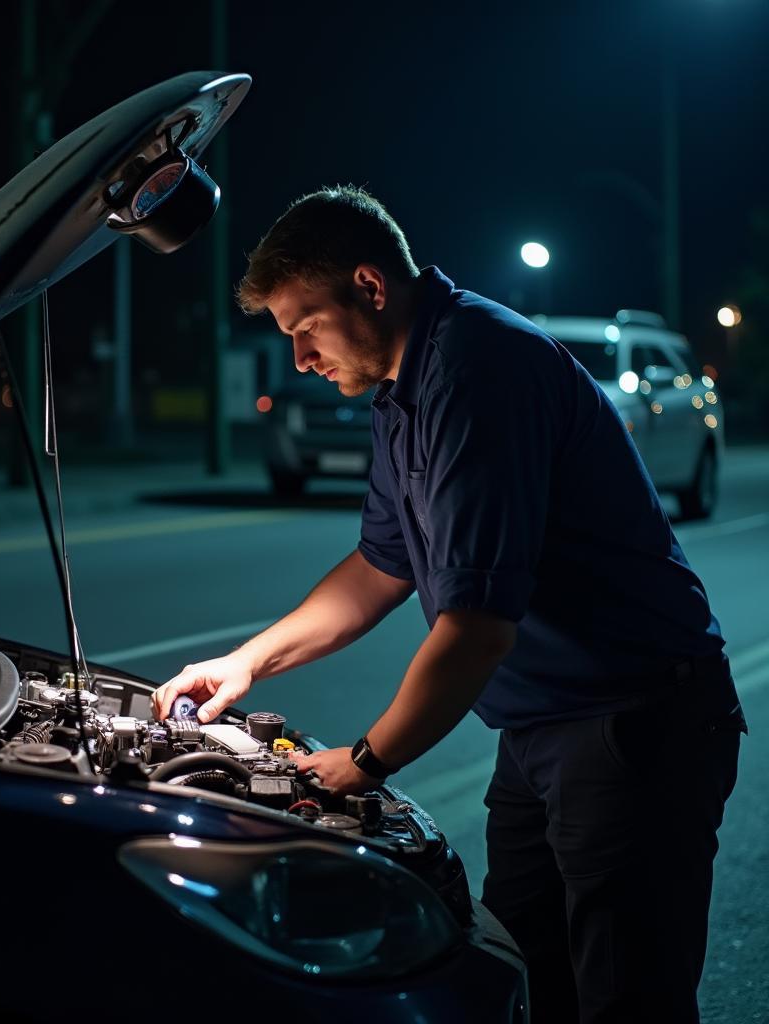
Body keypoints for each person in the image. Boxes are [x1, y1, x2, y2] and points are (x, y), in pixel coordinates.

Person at [150, 186, 746, 1024]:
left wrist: (363, 761)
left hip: (634, 724)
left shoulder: (478, 369)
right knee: (526, 977)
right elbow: (379, 567)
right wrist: (243, 663)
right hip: (542, 728)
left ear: (369, 284)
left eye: (305, 327)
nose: (299, 359)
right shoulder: (405, 388)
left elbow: (476, 632)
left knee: (625, 999)